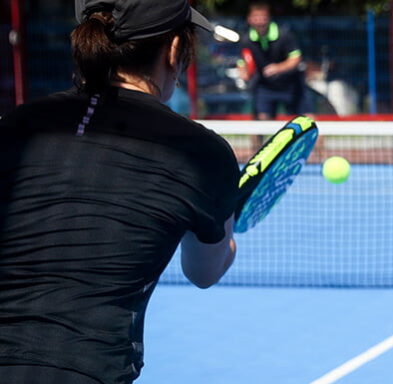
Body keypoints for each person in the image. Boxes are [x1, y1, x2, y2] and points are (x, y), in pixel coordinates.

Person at [0, 1, 238, 383]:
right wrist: (229, 235)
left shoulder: (16, 125)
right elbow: (204, 271)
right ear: (175, 50)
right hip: (87, 370)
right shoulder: (201, 153)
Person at [241, 2, 310, 120]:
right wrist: (243, 73)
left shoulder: (285, 35)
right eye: (256, 17)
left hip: (291, 84)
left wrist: (278, 68)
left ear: (269, 19)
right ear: (249, 19)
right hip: (265, 86)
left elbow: (296, 58)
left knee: (308, 120)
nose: (259, 21)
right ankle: (260, 138)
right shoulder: (246, 40)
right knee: (258, 123)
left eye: (263, 18)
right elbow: (242, 62)